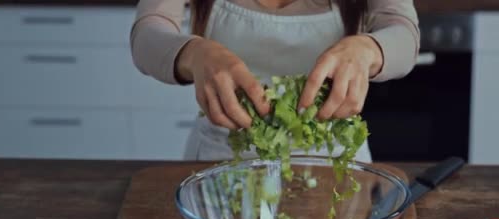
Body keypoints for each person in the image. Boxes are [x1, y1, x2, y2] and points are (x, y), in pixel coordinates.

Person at [130, 0, 420, 163]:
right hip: (219, 161)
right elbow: (147, 35)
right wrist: (193, 53)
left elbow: (404, 34)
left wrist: (368, 49)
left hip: (333, 166)